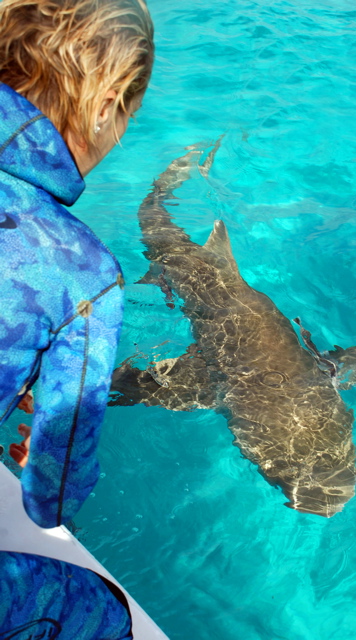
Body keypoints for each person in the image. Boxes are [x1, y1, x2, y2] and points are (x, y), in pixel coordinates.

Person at [0, 0, 154, 529]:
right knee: (101, 613)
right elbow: (52, 499)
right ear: (106, 106)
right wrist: (45, 467)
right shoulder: (82, 272)